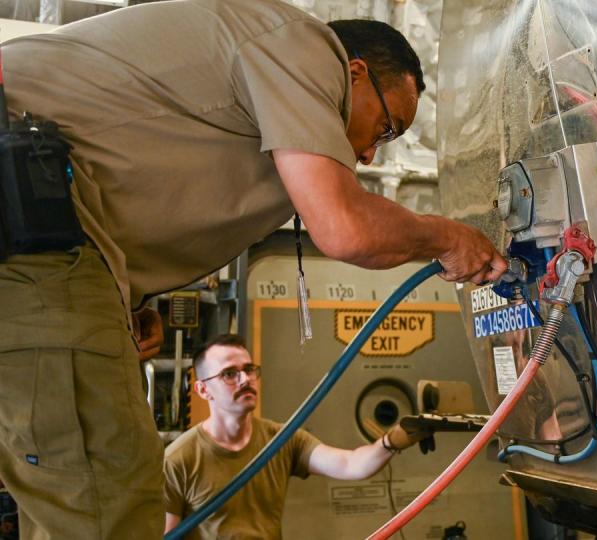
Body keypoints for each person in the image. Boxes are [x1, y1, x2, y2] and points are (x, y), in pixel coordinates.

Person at [0, 0, 506, 537]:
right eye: (385, 127)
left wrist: (124, 294)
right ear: (353, 71)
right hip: (31, 213)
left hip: (44, 227)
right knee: (106, 502)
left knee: (69, 495)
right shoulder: (305, 46)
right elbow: (345, 228)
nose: (369, 157)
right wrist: (448, 238)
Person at [163, 334, 429, 539]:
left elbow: (351, 465)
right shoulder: (178, 460)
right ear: (202, 389)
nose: (245, 379)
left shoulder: (281, 439)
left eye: (249, 369)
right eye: (229, 374)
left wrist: (392, 441)